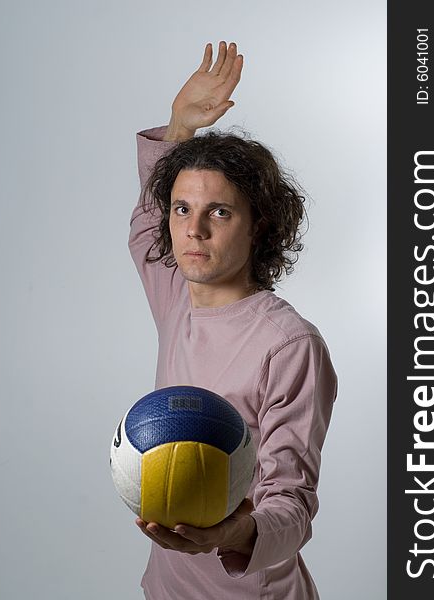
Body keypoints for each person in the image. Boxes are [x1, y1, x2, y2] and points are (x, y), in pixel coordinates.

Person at [129, 40, 338, 600]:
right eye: (183, 209)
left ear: (259, 225)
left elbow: (291, 505)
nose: (193, 230)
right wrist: (178, 127)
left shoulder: (289, 344)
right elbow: (148, 224)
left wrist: (234, 531)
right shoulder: (178, 294)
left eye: (218, 212)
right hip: (167, 590)